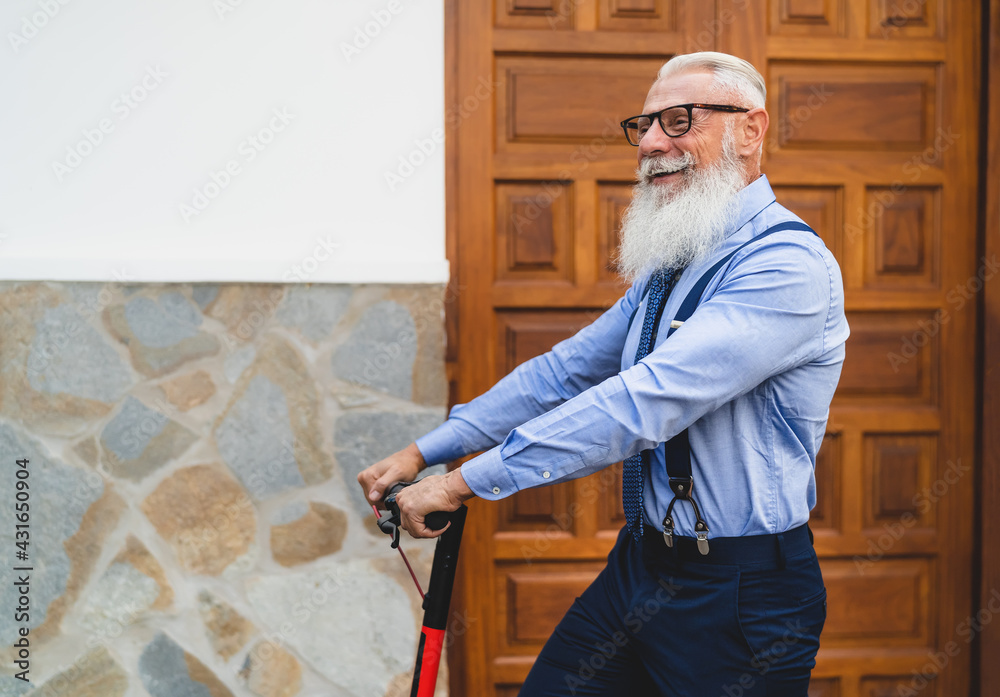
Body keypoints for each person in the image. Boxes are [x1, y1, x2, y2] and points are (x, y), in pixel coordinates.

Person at [358, 51, 848, 696]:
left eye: (678, 121)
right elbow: (565, 372)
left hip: (738, 591)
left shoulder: (787, 267)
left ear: (749, 131)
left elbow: (645, 403)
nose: (649, 143)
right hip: (640, 565)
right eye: (643, 125)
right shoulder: (675, 260)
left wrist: (461, 485)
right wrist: (428, 448)